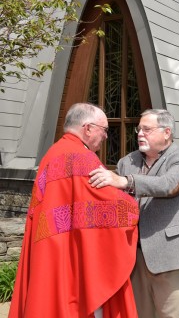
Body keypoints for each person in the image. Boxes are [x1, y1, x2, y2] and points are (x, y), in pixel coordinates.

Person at [9, 103, 139, 318]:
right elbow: (114, 207)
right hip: (71, 254)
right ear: (88, 128)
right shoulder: (81, 158)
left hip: (51, 245)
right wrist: (132, 204)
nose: (106, 136)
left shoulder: (52, 153)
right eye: (104, 129)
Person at [89, 109, 179, 317]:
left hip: (170, 257)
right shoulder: (127, 162)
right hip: (133, 258)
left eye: (146, 129)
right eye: (139, 129)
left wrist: (125, 181)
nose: (139, 133)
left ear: (167, 132)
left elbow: (169, 185)